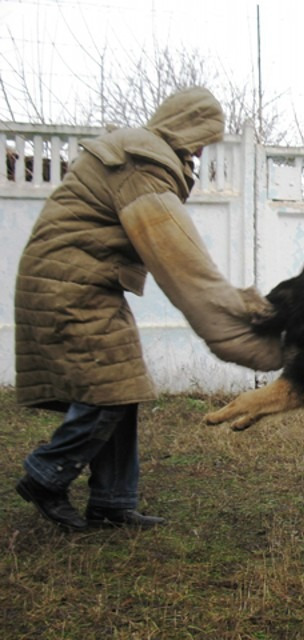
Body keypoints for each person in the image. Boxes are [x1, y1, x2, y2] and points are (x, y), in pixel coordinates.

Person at [14, 87, 283, 531]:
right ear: (186, 124)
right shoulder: (141, 164)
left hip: (79, 282)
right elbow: (180, 260)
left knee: (122, 387)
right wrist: (244, 311)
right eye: (201, 137)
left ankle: (111, 504)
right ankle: (47, 474)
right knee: (112, 388)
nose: (200, 149)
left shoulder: (139, 154)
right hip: (68, 285)